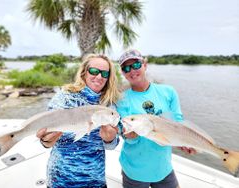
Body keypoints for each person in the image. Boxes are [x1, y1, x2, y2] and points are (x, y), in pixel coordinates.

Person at [36, 54, 120, 188]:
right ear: (84, 72)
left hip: (95, 181)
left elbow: (111, 146)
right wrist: (46, 141)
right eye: (94, 71)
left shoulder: (109, 105)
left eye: (104, 73)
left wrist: (110, 139)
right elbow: (45, 141)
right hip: (60, 180)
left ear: (109, 77)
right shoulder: (65, 97)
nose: (99, 77)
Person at [116, 49, 196, 188]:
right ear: (122, 72)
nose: (132, 70)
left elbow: (178, 122)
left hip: (164, 167)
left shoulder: (168, 92)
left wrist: (184, 141)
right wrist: (130, 136)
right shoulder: (122, 100)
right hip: (134, 171)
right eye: (126, 68)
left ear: (145, 65)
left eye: (136, 65)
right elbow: (126, 133)